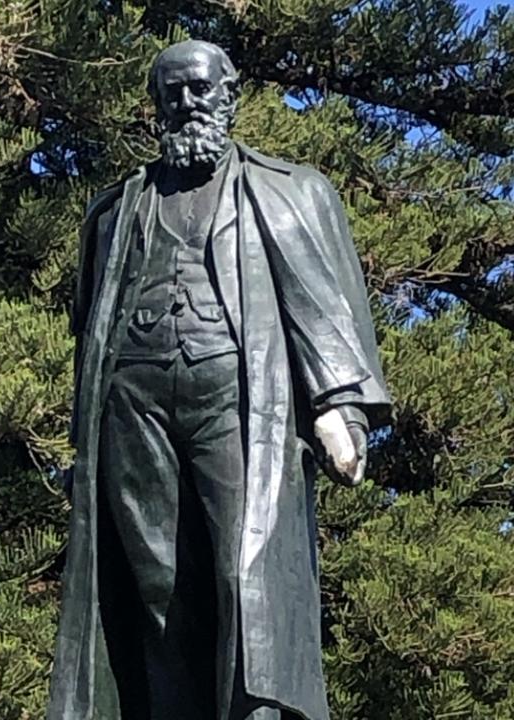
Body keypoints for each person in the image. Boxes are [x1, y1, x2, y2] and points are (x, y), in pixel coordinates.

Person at [47, 41, 390, 720]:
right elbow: (91, 326)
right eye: (170, 93)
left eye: (199, 90)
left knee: (245, 576)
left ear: (229, 92)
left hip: (238, 401)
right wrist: (85, 440)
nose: (185, 104)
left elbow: (321, 300)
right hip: (133, 406)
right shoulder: (117, 209)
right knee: (156, 586)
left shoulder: (286, 190)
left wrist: (336, 405)